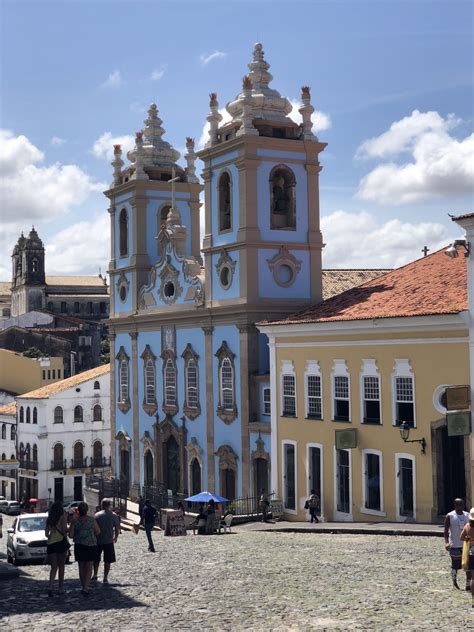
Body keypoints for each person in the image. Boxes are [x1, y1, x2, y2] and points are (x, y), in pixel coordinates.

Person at [69, 502, 100, 596]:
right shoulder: (91, 520)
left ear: (78, 511)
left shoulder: (75, 521)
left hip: (79, 545)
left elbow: (70, 535)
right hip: (90, 545)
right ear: (86, 510)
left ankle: (83, 586)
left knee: (81, 566)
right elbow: (98, 531)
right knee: (89, 566)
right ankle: (86, 587)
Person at [45, 501, 69, 597]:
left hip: (51, 544)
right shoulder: (63, 516)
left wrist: (52, 534)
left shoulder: (49, 518)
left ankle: (50, 586)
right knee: (61, 566)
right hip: (60, 543)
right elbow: (64, 530)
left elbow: (46, 534)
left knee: (53, 567)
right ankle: (60, 588)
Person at [92, 498, 119, 584]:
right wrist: (116, 537)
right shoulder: (114, 516)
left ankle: (95, 574)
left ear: (101, 505)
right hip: (108, 541)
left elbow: (93, 528)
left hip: (98, 540)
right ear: (109, 505)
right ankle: (105, 577)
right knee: (107, 560)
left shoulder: (97, 515)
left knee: (96, 559)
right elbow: (117, 528)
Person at [444, 498, 469, 590]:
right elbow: (446, 530)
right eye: (458, 505)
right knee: (455, 565)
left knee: (468, 565)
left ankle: (468, 584)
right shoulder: (450, 516)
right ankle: (454, 582)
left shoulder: (467, 515)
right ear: (455, 505)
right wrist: (446, 542)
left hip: (466, 545)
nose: (460, 507)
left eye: (462, 505)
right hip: (454, 544)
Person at [460, 507, 474, 607]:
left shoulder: (467, 526)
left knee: (473, 578)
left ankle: (473, 598)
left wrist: (468, 538)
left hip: (471, 553)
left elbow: (461, 537)